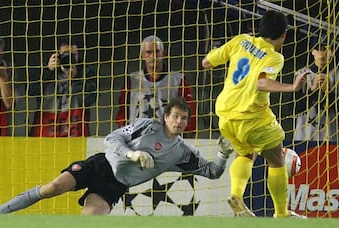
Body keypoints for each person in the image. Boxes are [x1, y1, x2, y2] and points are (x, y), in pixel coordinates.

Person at [0, 96, 231, 215]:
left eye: (184, 118)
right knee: (52, 188)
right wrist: (133, 154)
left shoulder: (182, 152)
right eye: (175, 116)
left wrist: (222, 154)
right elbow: (111, 139)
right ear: (166, 117)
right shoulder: (147, 126)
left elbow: (213, 172)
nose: (179, 122)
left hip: (114, 184)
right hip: (101, 164)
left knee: (92, 219)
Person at [202, 11, 308, 218]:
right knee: (277, 159)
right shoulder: (274, 57)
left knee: (245, 155)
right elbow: (261, 82)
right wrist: (292, 87)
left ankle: (236, 196)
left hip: (225, 113)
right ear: (284, 35)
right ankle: (281, 213)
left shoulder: (241, 40)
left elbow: (206, 62)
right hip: (251, 116)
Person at [115, 35, 196, 137]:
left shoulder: (178, 80)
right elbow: (123, 110)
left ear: (163, 53)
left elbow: (189, 109)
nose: (153, 56)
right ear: (142, 55)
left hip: (167, 139)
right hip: (137, 138)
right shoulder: (132, 80)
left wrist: (188, 133)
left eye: (157, 51)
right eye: (149, 52)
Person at [28, 37, 97, 137]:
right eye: (65, 54)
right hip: (45, 132)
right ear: (57, 55)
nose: (69, 58)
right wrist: (47, 71)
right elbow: (31, 91)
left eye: (73, 55)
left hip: (75, 132)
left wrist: (75, 79)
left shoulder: (86, 72)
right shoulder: (45, 71)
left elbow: (90, 99)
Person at [293, 38, 338, 142]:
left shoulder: (336, 75)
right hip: (304, 137)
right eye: (318, 49)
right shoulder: (301, 74)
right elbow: (295, 109)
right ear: (312, 51)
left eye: (326, 49)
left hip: (331, 138)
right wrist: (312, 90)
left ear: (332, 51)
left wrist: (328, 92)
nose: (322, 53)